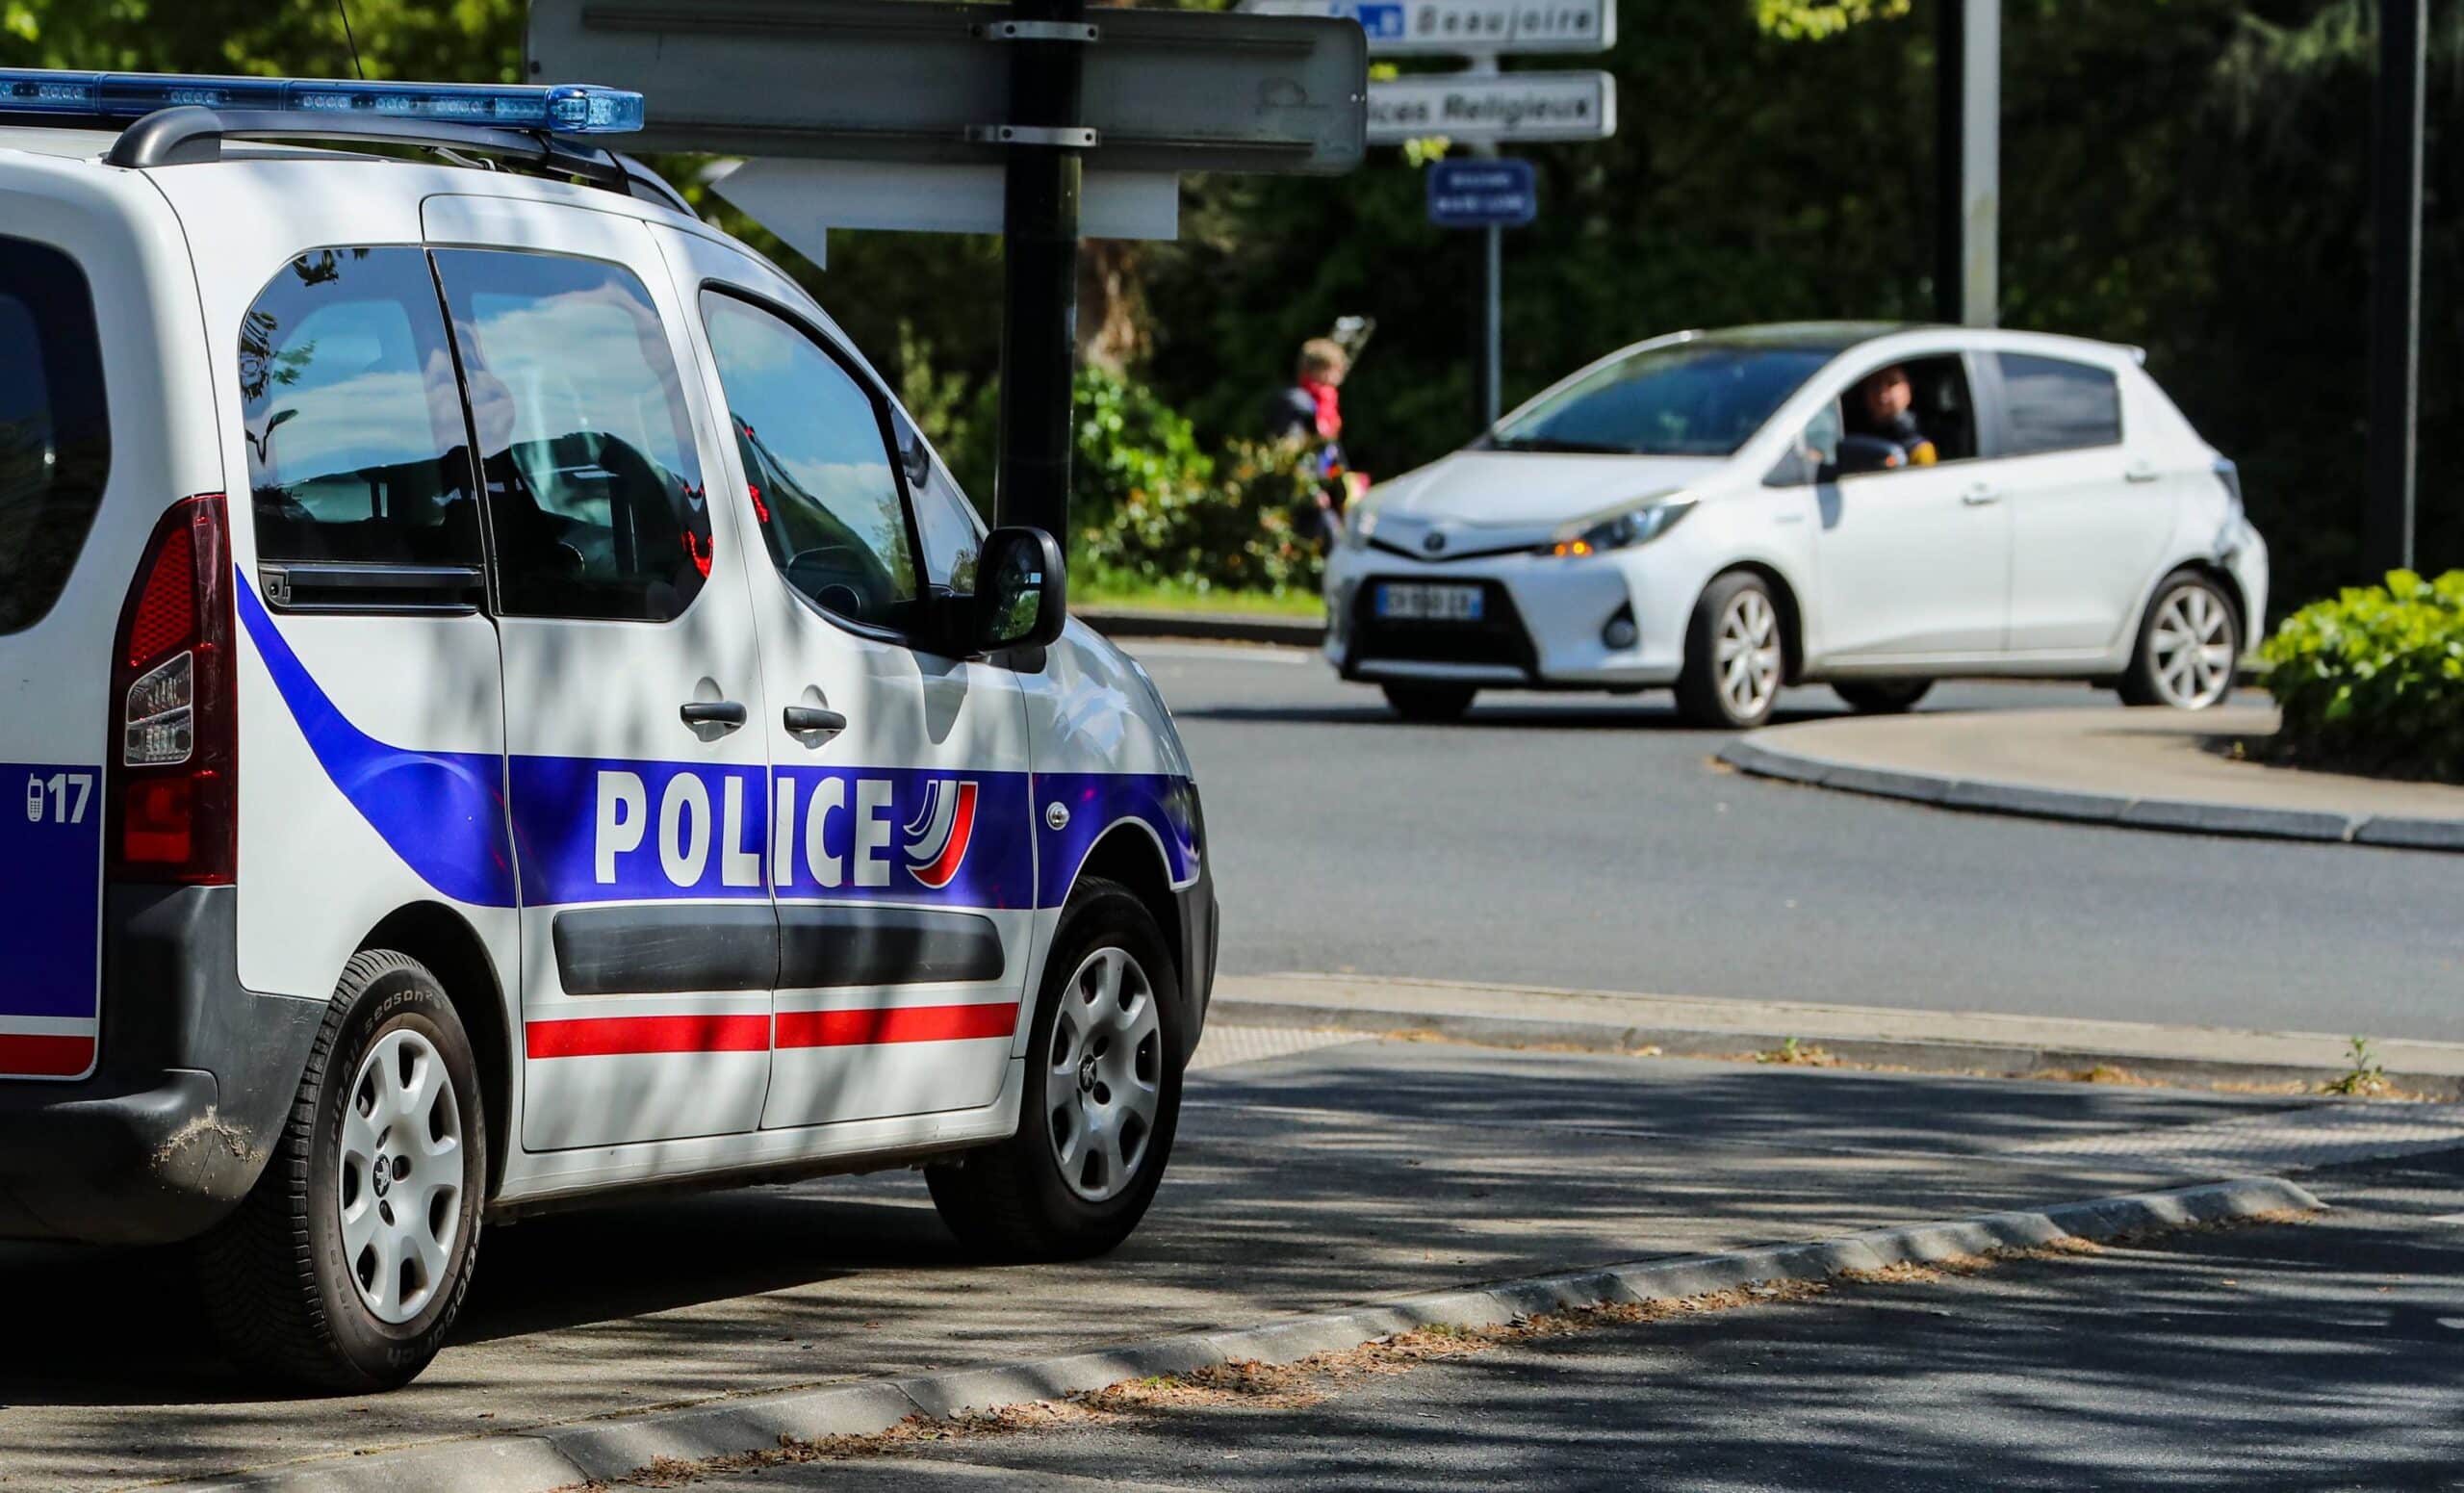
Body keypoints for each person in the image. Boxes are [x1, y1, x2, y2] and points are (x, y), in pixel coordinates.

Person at [1265, 338, 1359, 549]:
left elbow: (1330, 455)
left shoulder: (1324, 406)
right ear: (1320, 371)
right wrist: (1310, 491)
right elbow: (1290, 452)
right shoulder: (1297, 404)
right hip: (1307, 502)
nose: (1338, 379)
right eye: (1335, 372)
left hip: (1327, 497)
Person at [1850, 364, 1938, 467]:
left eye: (1892, 383)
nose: (1882, 392)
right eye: (1875, 384)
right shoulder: (1852, 434)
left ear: (1908, 390)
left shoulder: (1923, 441)